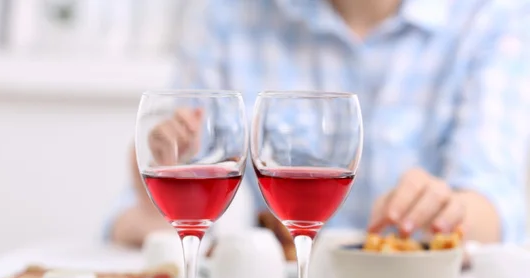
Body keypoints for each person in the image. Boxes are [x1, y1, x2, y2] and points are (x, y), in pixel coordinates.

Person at [106, 0, 530, 247]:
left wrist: (448, 211)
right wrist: (156, 176)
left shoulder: (493, 16)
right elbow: (138, 218)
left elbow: (494, 204)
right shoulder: (229, 14)